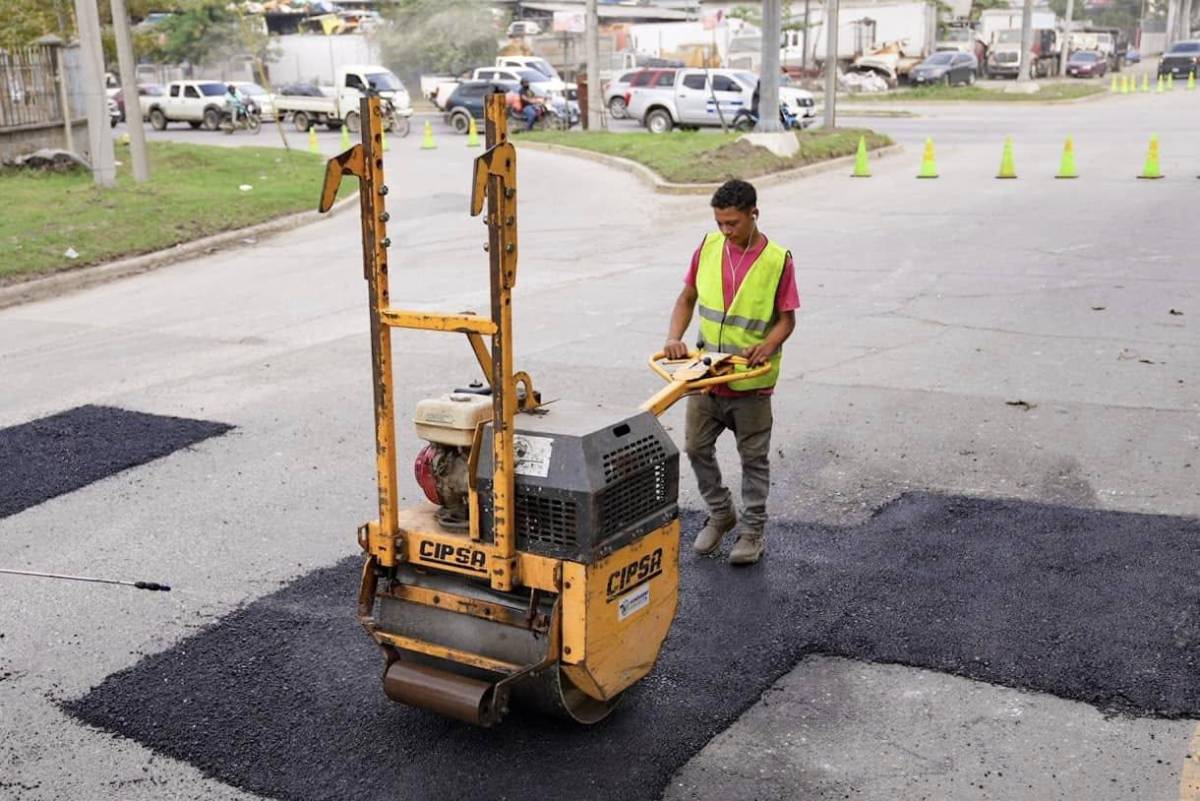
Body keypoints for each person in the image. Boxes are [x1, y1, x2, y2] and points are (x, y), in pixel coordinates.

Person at [663, 179, 799, 565]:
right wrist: (675, 338)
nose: (725, 230)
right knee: (695, 447)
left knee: (753, 460)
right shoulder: (707, 248)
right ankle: (722, 513)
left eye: (733, 223)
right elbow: (687, 298)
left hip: (750, 383)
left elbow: (786, 321)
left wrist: (768, 346)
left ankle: (752, 532)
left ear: (754, 214)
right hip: (708, 377)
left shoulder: (777, 261)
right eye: (720, 222)